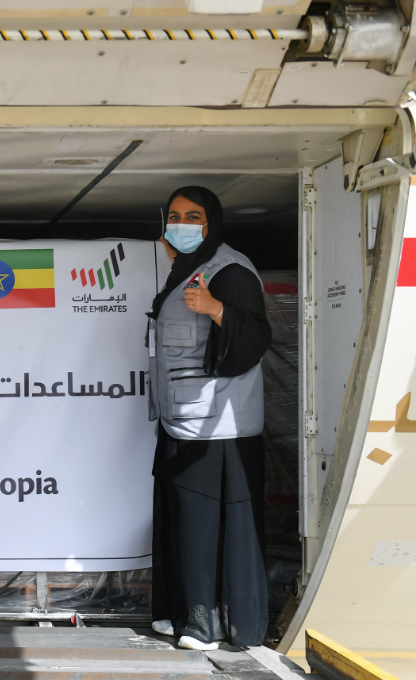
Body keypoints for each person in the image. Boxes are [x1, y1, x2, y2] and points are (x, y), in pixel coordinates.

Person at [146, 186, 272, 650]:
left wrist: (216, 309)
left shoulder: (230, 270)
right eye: (175, 216)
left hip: (217, 429)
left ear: (211, 222)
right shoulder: (186, 269)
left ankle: (210, 623)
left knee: (202, 523)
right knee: (179, 518)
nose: (180, 225)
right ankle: (179, 612)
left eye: (192, 217)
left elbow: (256, 337)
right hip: (180, 420)